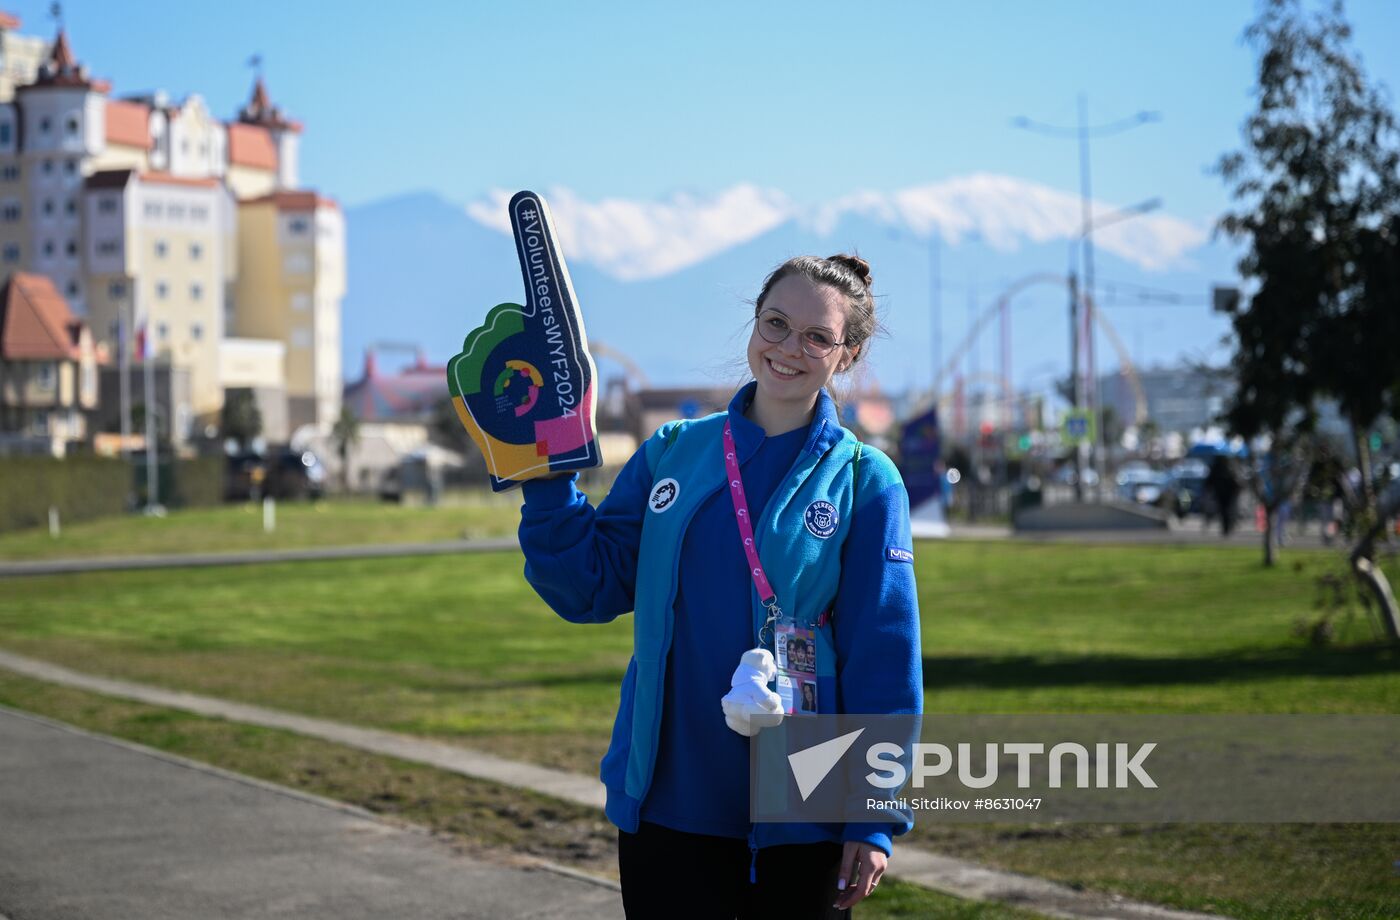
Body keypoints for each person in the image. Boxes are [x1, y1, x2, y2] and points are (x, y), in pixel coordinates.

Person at [517, 254, 923, 918]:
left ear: (846, 355)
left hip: (806, 804)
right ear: (754, 325)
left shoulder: (864, 480)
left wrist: (871, 818)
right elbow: (587, 588)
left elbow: (884, 659)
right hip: (670, 798)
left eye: (816, 337)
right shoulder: (673, 452)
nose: (788, 348)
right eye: (775, 323)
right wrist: (544, 477)